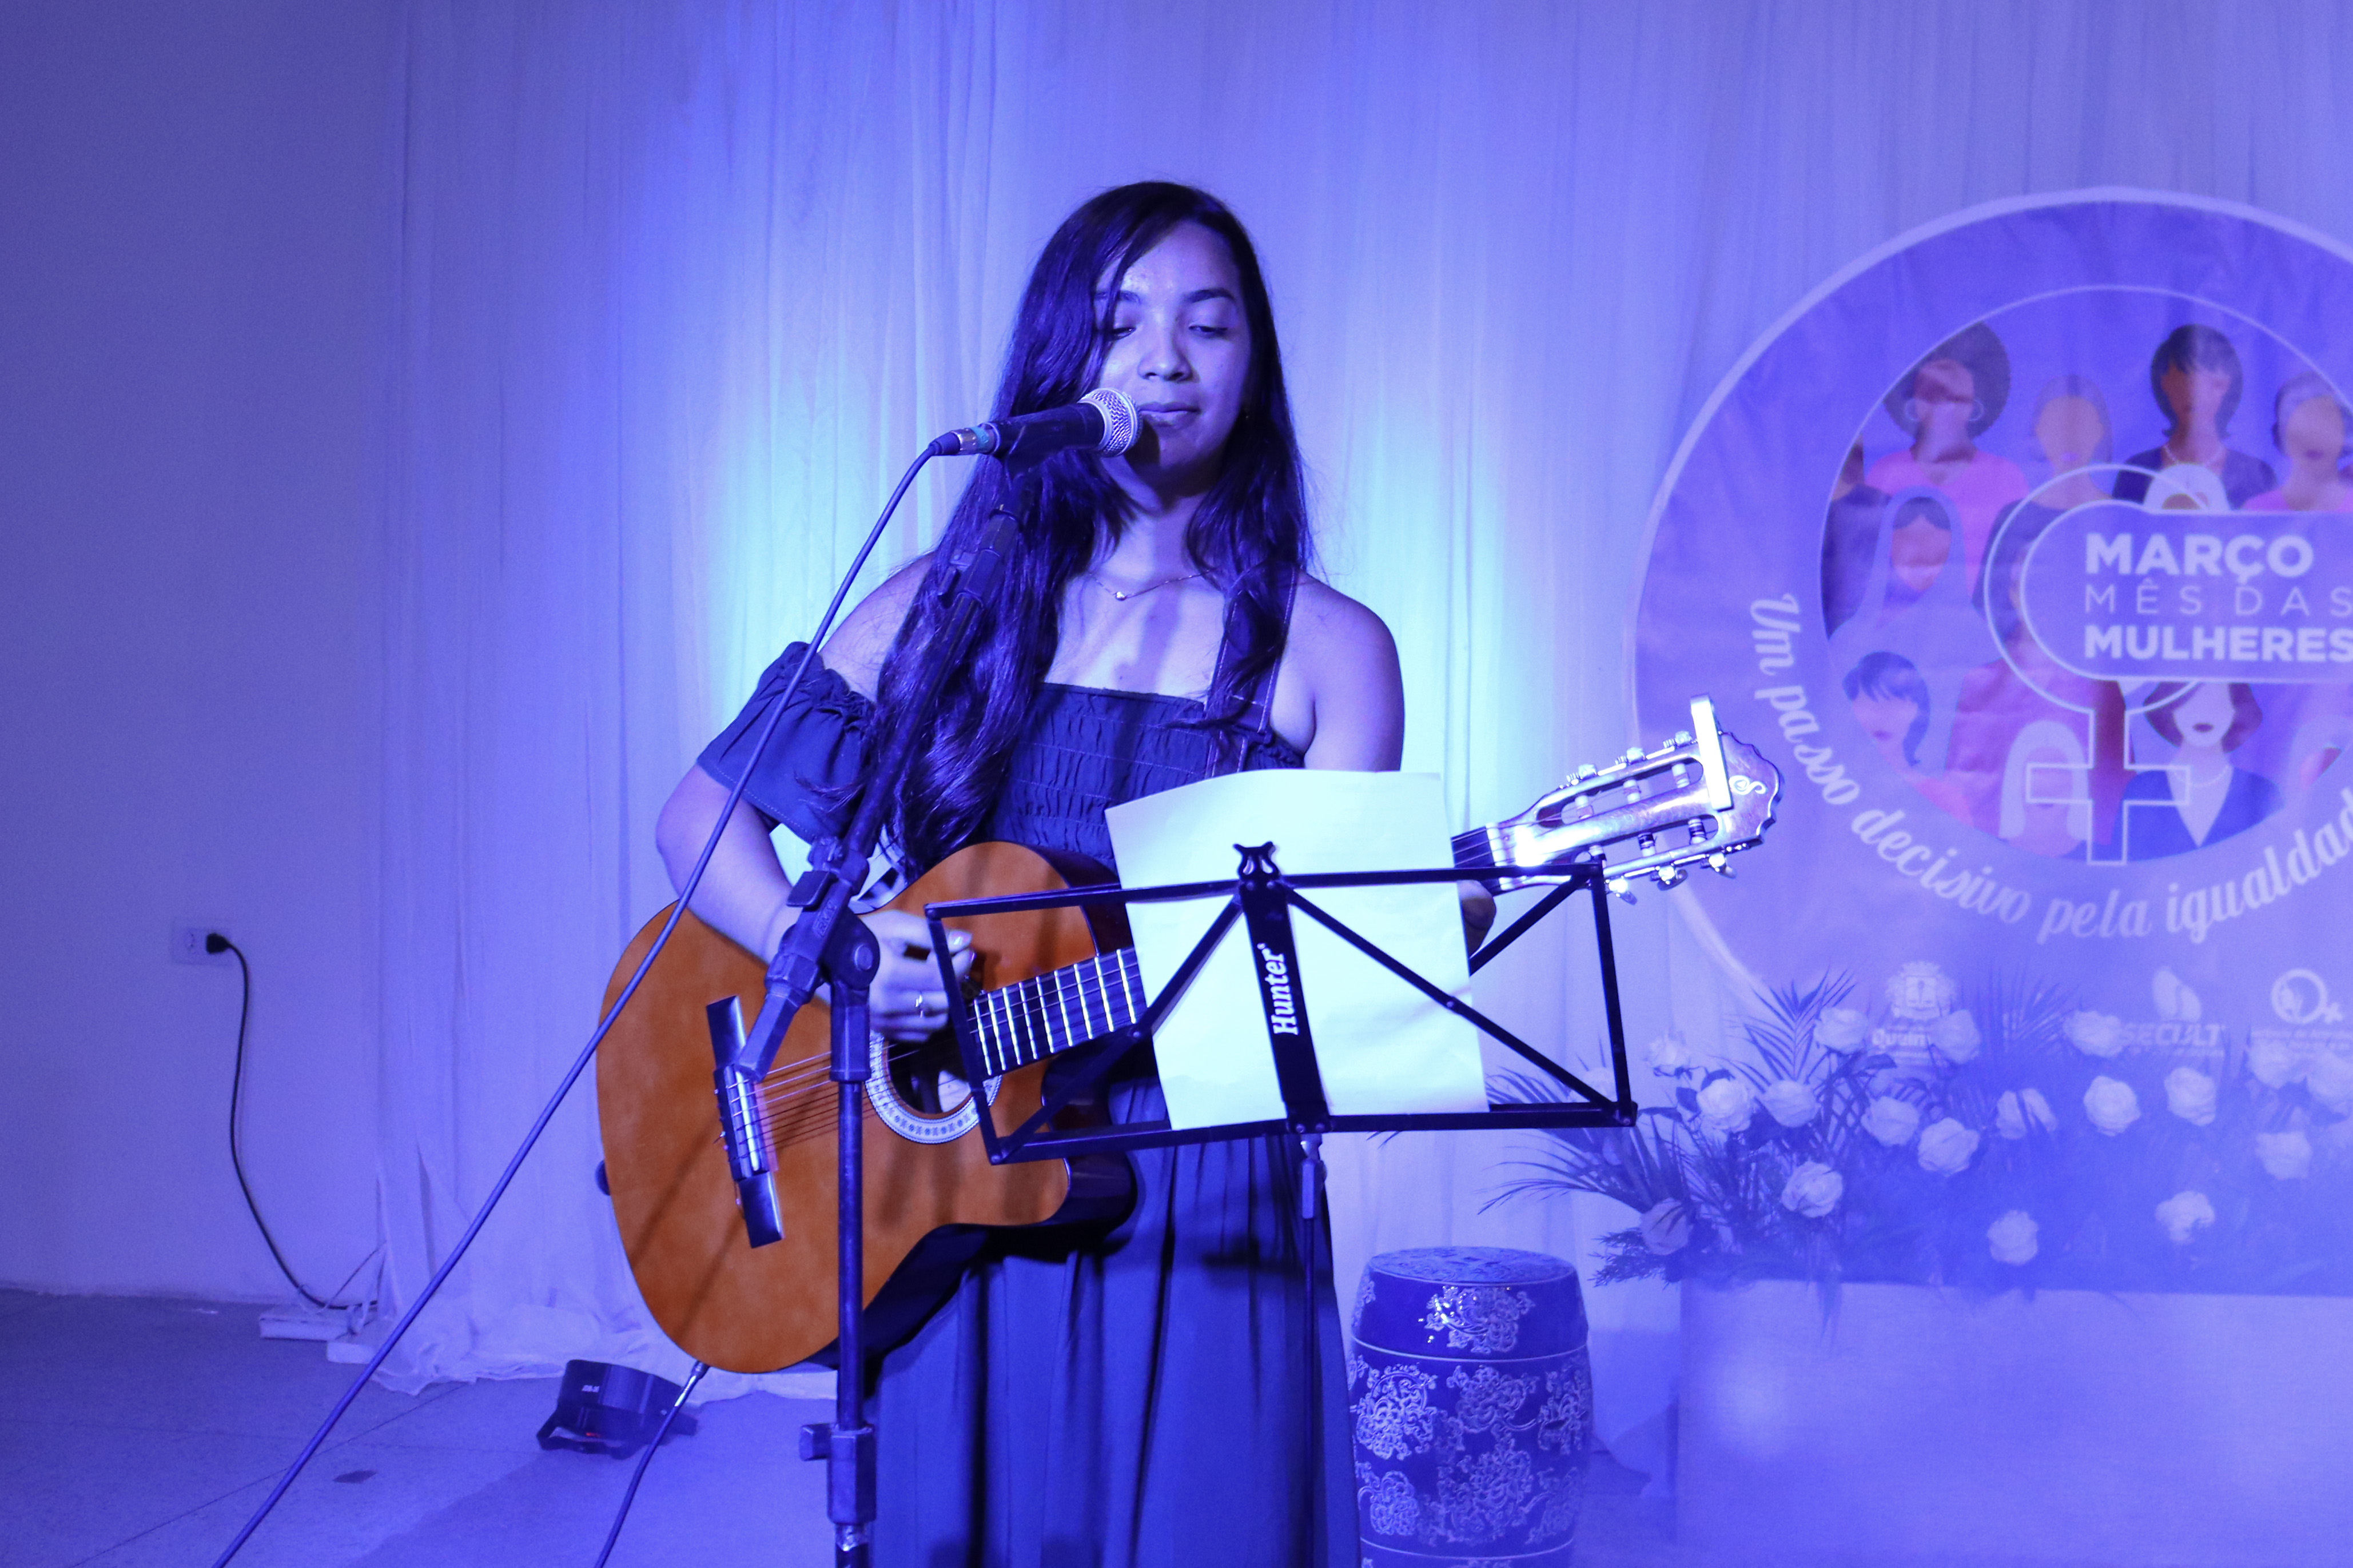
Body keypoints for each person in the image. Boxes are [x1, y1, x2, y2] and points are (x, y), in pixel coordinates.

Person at [654, 183, 1404, 1566]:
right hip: (945, 1175)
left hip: (1194, 1184)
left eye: (1209, 326)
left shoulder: (1328, 647)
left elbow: (1325, 963)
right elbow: (701, 819)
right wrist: (851, 954)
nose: (1165, 361)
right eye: (1120, 324)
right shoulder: (939, 605)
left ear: (1254, 364)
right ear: (1061, 357)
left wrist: (1416, 927)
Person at [1863, 322, 2028, 592]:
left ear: (1974, 405)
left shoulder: (2005, 478)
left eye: (1954, 397)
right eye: (1931, 394)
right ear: (1913, 404)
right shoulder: (1887, 474)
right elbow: (1868, 562)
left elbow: (2019, 567)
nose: (1942, 406)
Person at [2111, 325, 2276, 508]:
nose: (2195, 394)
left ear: (2228, 388)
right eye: (2183, 380)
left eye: (2211, 383)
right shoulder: (2135, 474)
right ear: (2164, 384)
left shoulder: (2256, 477)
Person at [2120, 681, 2281, 858]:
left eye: (2217, 702)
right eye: (2190, 701)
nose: (2203, 713)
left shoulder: (2262, 793)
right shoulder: (2142, 790)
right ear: (2172, 708)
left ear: (2235, 710)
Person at [2244, 372, 2353, 511]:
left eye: (2324, 424)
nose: (2313, 439)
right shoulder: (2256, 511)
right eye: (2301, 427)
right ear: (2279, 435)